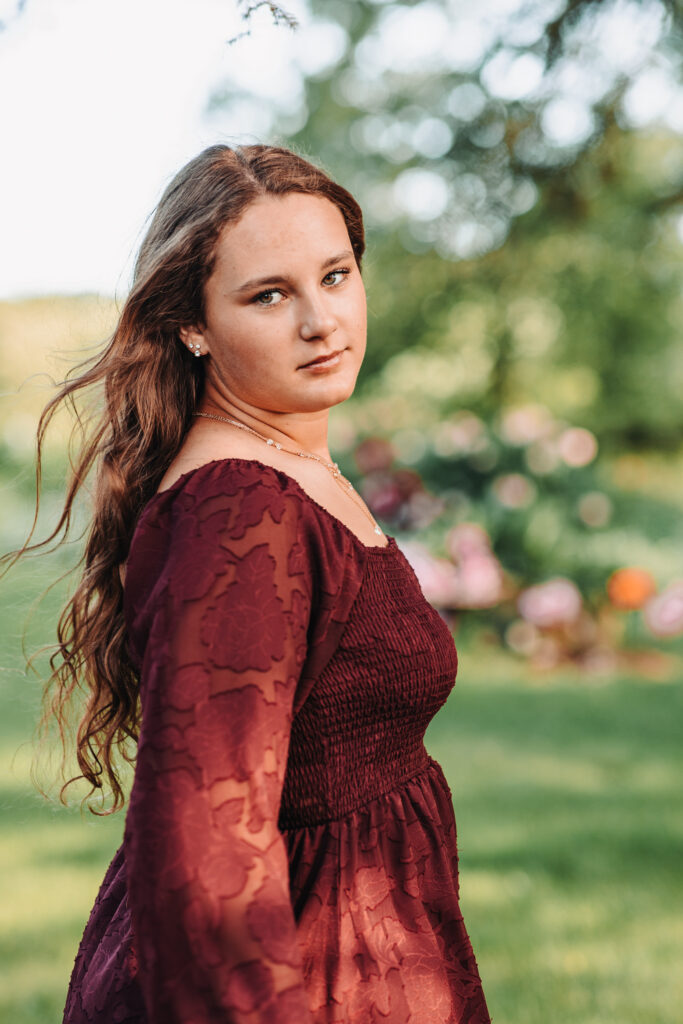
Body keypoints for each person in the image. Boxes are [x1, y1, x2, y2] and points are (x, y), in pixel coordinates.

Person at [18, 143, 492, 1022]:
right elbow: (204, 855)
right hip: (297, 979)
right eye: (269, 295)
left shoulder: (293, 468)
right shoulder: (240, 510)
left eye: (336, 275)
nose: (322, 321)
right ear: (191, 324)